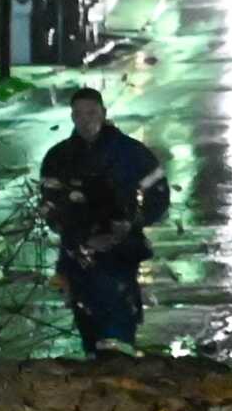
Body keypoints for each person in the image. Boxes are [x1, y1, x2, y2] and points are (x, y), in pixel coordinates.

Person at [39, 87, 168, 357]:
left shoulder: (131, 153)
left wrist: (131, 224)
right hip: (78, 250)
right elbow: (50, 204)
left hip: (119, 249)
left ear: (103, 113)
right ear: (72, 117)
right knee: (87, 316)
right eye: (79, 114)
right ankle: (98, 372)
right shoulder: (59, 157)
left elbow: (158, 194)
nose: (86, 120)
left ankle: (117, 369)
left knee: (117, 312)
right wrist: (77, 236)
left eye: (92, 113)